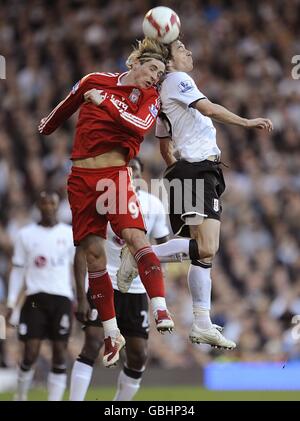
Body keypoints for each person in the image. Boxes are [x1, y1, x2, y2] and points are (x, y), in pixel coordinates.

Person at [118, 39, 273, 350]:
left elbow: (164, 145)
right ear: (170, 61)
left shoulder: (164, 91)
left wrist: (180, 172)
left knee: (205, 254)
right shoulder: (178, 80)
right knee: (206, 246)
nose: (189, 52)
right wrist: (246, 121)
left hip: (197, 171)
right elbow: (209, 108)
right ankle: (141, 254)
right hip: (198, 170)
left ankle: (202, 322)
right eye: (182, 49)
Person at [38, 38, 174, 368]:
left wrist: (105, 104)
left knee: (136, 237)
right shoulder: (94, 81)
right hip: (81, 180)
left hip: (115, 175)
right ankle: (112, 334)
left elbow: (140, 126)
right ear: (135, 63)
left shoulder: (150, 98)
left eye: (159, 73)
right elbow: (70, 101)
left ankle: (159, 305)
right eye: (152, 69)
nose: (155, 77)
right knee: (94, 256)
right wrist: (48, 124)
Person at [69, 158, 170, 401]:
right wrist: (81, 297)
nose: (130, 175)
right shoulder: (103, 202)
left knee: (138, 355)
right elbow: (83, 251)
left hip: (135, 290)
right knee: (93, 344)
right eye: (126, 170)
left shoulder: (153, 205)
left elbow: (163, 247)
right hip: (105, 284)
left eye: (134, 171)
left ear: (141, 175)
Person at [5, 191, 75, 401]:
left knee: (60, 351)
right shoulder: (26, 235)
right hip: (35, 297)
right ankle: (21, 394)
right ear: (38, 206)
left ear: (57, 205)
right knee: (31, 351)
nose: (48, 207)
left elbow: (79, 268)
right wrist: (10, 302)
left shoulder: (69, 233)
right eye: (44, 203)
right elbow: (17, 271)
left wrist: (84, 296)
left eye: (52, 203)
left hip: (62, 297)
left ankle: (54, 399)